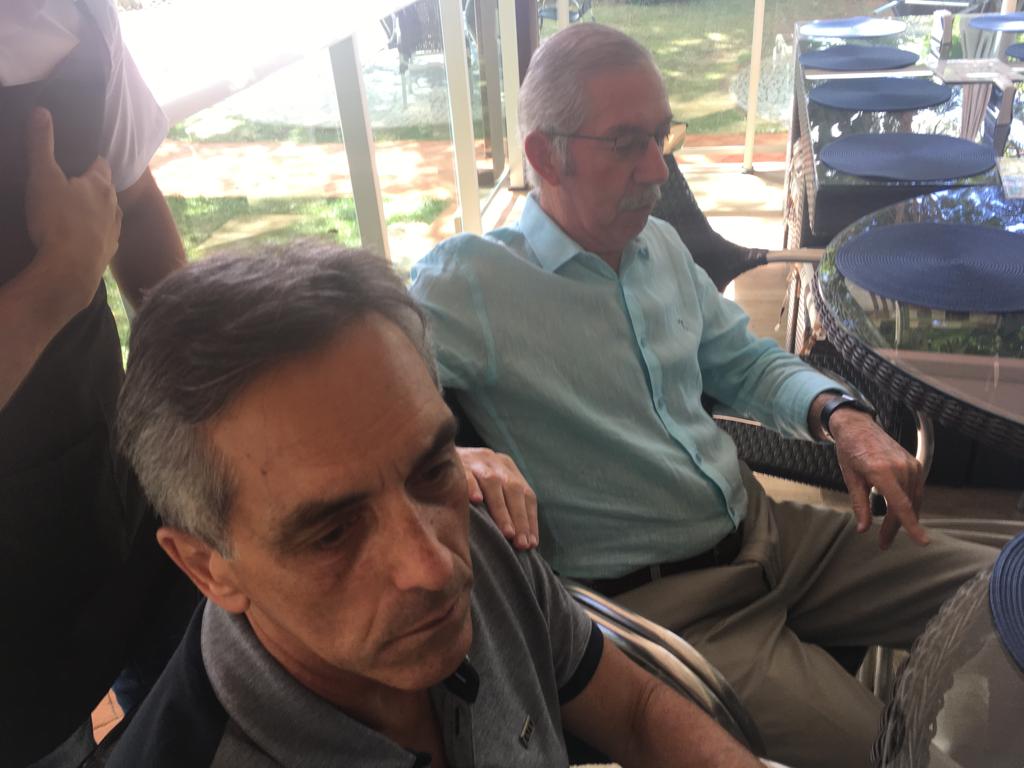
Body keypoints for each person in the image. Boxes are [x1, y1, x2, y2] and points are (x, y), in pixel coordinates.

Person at [408, 22, 998, 768]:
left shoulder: (657, 245)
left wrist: (841, 416)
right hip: (668, 610)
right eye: (627, 142)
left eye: (662, 136)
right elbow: (354, 403)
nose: (658, 169)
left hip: (774, 536)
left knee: (1002, 592)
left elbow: (745, 361)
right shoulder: (470, 283)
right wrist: (454, 458)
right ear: (545, 155)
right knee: (896, 755)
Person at [107, 242, 762, 768]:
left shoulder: (485, 537)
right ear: (206, 567)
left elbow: (635, 713)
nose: (437, 566)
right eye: (332, 533)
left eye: (431, 469)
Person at [0, 2, 195, 764]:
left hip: (112, 492)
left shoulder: (68, 13)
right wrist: (59, 279)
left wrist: (208, 383)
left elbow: (132, 201)